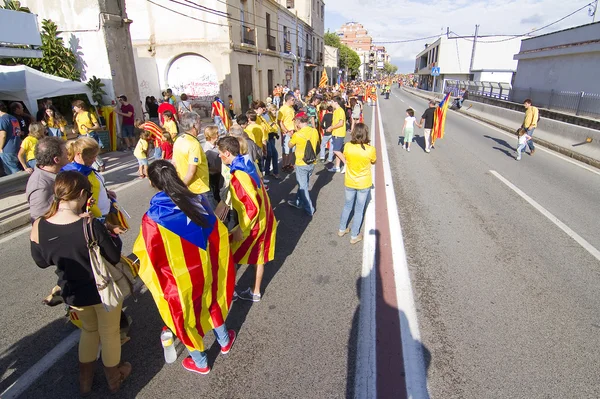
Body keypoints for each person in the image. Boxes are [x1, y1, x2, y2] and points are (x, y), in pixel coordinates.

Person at [30, 171, 131, 396]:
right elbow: (114, 256)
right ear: (84, 194)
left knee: (89, 330)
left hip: (72, 292)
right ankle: (114, 378)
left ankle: (85, 382)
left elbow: (41, 261)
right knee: (109, 333)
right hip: (102, 291)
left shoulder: (39, 225)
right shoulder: (89, 225)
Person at [133, 160, 236, 375]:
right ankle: (224, 341)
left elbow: (149, 255)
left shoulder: (152, 218)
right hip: (206, 268)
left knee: (184, 318)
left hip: (178, 281)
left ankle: (200, 362)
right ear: (176, 175)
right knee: (211, 301)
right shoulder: (197, 199)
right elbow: (217, 231)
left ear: (153, 184)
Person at [216, 136, 277, 302]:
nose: (219, 156)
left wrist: (240, 230)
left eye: (220, 153)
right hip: (266, 216)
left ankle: (230, 292)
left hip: (253, 223)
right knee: (260, 256)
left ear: (227, 153)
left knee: (231, 254)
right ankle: (255, 292)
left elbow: (251, 207)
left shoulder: (238, 176)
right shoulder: (249, 163)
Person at [337, 123, 376, 244]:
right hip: (363, 182)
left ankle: (342, 229)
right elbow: (373, 161)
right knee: (359, 209)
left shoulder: (348, 146)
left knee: (347, 205)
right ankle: (354, 235)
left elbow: (346, 157)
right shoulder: (370, 149)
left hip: (350, 180)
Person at [172, 112, 214, 208]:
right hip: (199, 188)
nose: (201, 124)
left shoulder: (179, 139)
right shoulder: (193, 144)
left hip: (186, 186)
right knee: (211, 217)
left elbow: (174, 163)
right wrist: (181, 187)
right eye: (199, 122)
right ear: (194, 125)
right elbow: (192, 171)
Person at [26, 137, 69, 223]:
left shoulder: (55, 174)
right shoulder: (40, 186)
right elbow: (40, 222)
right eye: (66, 153)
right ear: (56, 159)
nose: (69, 155)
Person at [287, 112, 319, 216]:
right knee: (303, 183)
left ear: (299, 122)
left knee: (303, 186)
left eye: (296, 121)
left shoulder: (297, 134)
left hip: (301, 163)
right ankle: (297, 201)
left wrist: (292, 135)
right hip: (312, 161)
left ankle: (309, 208)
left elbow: (290, 145)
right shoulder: (314, 131)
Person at [254, 101, 279, 178]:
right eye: (263, 108)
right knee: (268, 156)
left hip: (267, 138)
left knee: (270, 155)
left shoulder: (261, 116)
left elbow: (268, 126)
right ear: (259, 108)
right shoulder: (257, 117)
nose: (265, 110)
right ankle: (266, 174)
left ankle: (268, 172)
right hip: (262, 141)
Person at [0, 102, 22, 175]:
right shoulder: (13, 117)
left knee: (12, 172)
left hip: (7, 149)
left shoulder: (2, 119)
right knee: (18, 168)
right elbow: (17, 132)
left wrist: (0, 148)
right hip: (16, 146)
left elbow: (3, 135)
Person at [203, 125, 222, 202]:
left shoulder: (216, 145)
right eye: (216, 133)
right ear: (212, 136)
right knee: (217, 195)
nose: (218, 135)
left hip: (220, 173)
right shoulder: (207, 149)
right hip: (214, 176)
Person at [327, 97, 347, 173]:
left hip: (339, 133)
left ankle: (346, 164)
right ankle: (337, 167)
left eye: (332, 101)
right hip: (335, 133)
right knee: (337, 150)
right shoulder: (336, 111)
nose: (330, 103)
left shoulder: (340, 111)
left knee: (335, 150)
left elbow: (341, 123)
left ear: (336, 102)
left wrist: (332, 127)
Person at [277, 93, 296, 172]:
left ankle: (289, 164)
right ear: (288, 100)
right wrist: (286, 131)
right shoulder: (283, 109)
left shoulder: (291, 108)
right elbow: (280, 122)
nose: (294, 101)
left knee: (292, 149)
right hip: (287, 132)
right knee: (286, 150)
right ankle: (284, 165)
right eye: (292, 100)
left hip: (293, 130)